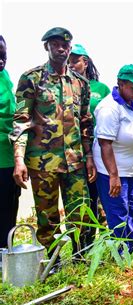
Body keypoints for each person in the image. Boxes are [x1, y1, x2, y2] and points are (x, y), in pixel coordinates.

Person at [10, 27, 94, 263]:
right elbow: (21, 121)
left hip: (75, 161)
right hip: (43, 162)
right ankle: (53, 261)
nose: (61, 49)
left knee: (80, 214)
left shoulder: (80, 84)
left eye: (65, 45)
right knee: (47, 218)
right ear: (46, 46)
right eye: (55, 44)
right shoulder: (32, 78)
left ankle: (81, 259)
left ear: (70, 48)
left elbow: (86, 122)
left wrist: (89, 159)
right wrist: (19, 159)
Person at [94, 64, 133, 252]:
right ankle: (122, 255)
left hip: (131, 170)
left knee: (129, 210)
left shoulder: (132, 103)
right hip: (114, 171)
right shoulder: (109, 108)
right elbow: (105, 144)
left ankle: (131, 249)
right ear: (120, 83)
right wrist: (113, 175)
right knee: (118, 214)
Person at [69, 43, 110, 247]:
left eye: (75, 60)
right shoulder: (64, 86)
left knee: (99, 200)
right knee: (80, 203)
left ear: (85, 62)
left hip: (96, 153)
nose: (71, 64)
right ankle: (82, 247)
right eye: (69, 60)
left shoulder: (101, 89)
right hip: (72, 154)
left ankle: (103, 245)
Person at [0, 35, 20, 250]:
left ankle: (5, 256)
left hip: (8, 158)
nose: (1, 60)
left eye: (3, 55)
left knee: (7, 211)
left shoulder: (5, 76)